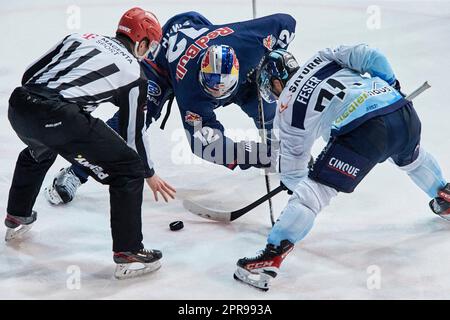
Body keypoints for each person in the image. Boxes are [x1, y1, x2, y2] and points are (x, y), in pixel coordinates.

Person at [233, 47, 449, 291]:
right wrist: (393, 86)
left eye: (270, 88)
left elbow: (293, 174)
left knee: (312, 196)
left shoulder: (286, 108)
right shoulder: (321, 57)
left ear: (275, 82)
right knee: (413, 159)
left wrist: (305, 178)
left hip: (365, 133)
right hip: (402, 112)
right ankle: (445, 196)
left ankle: (270, 256)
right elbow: (372, 57)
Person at [44, 11, 296, 205]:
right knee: (132, 120)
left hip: (195, 28)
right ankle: (76, 173)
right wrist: (255, 155)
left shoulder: (248, 43)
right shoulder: (192, 94)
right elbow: (208, 146)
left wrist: (275, 56)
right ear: (201, 79)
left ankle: (284, 152)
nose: (217, 95)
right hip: (163, 66)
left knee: (264, 104)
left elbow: (287, 22)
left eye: (223, 89)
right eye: (211, 88)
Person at [4, 7, 173, 279]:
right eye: (149, 46)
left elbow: (30, 74)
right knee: (128, 170)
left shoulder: (80, 37)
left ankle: (17, 216)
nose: (148, 52)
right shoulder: (134, 73)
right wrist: (148, 173)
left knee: (39, 149)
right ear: (141, 42)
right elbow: (133, 135)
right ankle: (129, 251)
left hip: (19, 105)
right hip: (59, 116)